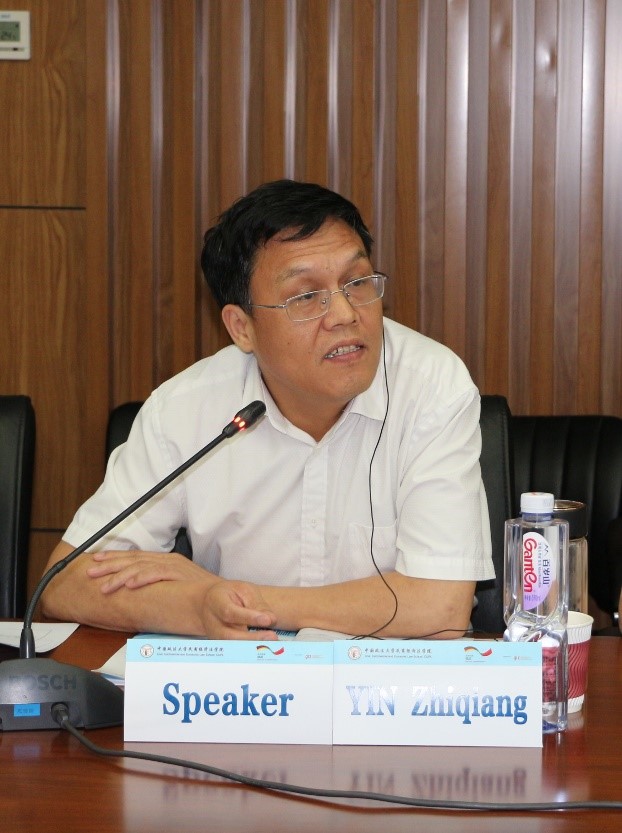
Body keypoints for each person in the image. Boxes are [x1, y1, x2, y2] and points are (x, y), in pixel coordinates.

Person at [41, 179, 494, 640]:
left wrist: (230, 598)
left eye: (356, 283)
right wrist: (197, 608)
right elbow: (64, 582)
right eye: (306, 296)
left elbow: (440, 608)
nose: (344, 314)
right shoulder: (187, 408)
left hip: (388, 681)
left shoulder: (431, 385)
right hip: (241, 679)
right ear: (242, 328)